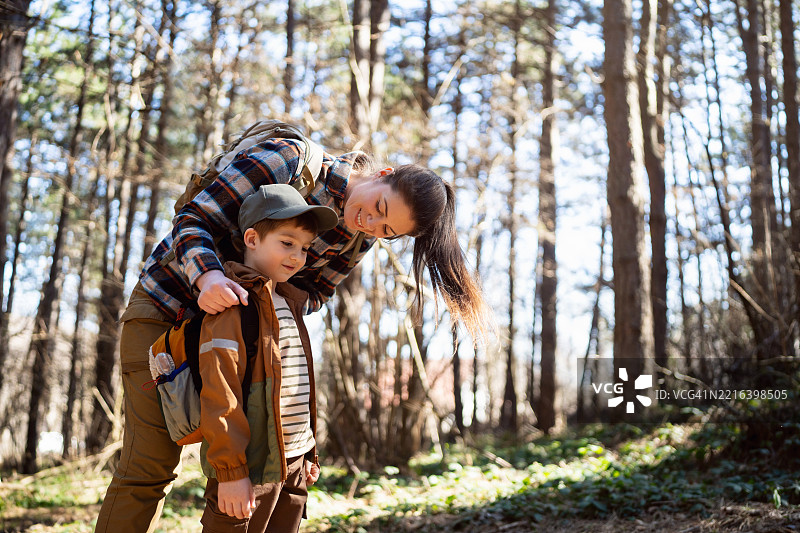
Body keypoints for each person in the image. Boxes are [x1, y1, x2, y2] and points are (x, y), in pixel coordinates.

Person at [95, 137, 489, 533]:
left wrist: (262, 313)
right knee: (150, 466)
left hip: (239, 345)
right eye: (378, 207)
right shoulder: (290, 160)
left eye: (386, 230)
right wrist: (210, 276)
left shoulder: (358, 237)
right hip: (167, 311)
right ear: (382, 175)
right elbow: (194, 219)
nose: (369, 224)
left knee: (240, 466)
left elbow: (315, 293)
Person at [173, 183, 335, 531]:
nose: (297, 256)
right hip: (250, 466)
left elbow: (296, 385)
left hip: (291, 464)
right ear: (251, 239)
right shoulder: (233, 303)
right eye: (287, 243)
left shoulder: (291, 301)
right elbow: (220, 393)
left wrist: (307, 452)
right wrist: (231, 473)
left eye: (304, 248)